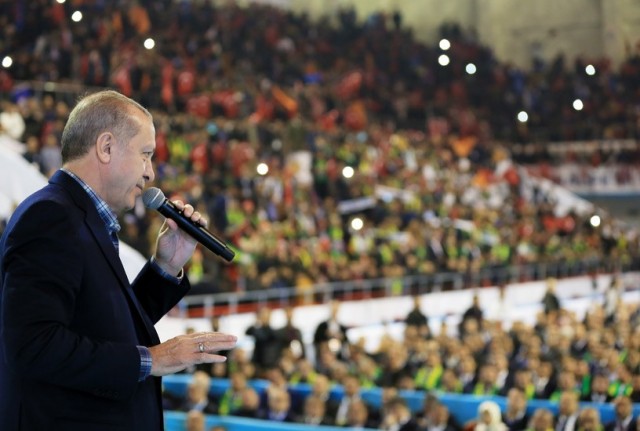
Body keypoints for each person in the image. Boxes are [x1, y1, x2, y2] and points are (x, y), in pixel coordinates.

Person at [0, 90, 237, 431]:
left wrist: (165, 267)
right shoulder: (51, 216)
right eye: (145, 155)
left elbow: (106, 326)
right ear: (106, 147)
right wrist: (152, 359)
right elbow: (33, 345)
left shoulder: (80, 217)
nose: (150, 173)